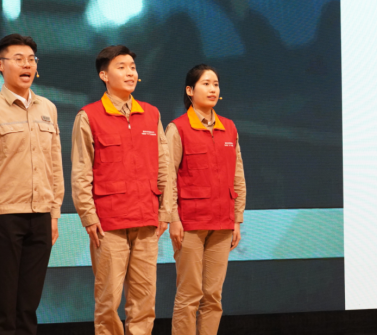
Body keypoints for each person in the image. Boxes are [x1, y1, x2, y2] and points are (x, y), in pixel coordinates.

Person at [71, 45, 173, 335]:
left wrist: (165, 211)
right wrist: (88, 216)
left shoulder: (151, 114)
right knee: (108, 301)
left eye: (133, 67)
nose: (130, 73)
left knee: (144, 301)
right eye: (121, 67)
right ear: (104, 75)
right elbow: (81, 172)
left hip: (146, 220)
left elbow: (164, 166)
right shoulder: (89, 116)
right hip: (108, 223)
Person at [0, 34, 64, 335]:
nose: (27, 65)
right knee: (3, 304)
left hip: (42, 216)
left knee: (29, 304)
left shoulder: (48, 108)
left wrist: (54, 214)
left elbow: (55, 164)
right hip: (4, 218)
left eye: (31, 60)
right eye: (18, 59)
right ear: (0, 65)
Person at [166, 65, 247, 335]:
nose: (213, 89)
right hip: (189, 224)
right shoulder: (177, 128)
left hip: (222, 223)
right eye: (206, 84)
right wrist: (173, 218)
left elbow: (238, 176)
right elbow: (167, 177)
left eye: (215, 84)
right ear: (190, 91)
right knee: (189, 294)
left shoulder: (229, 128)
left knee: (213, 296)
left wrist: (237, 219)